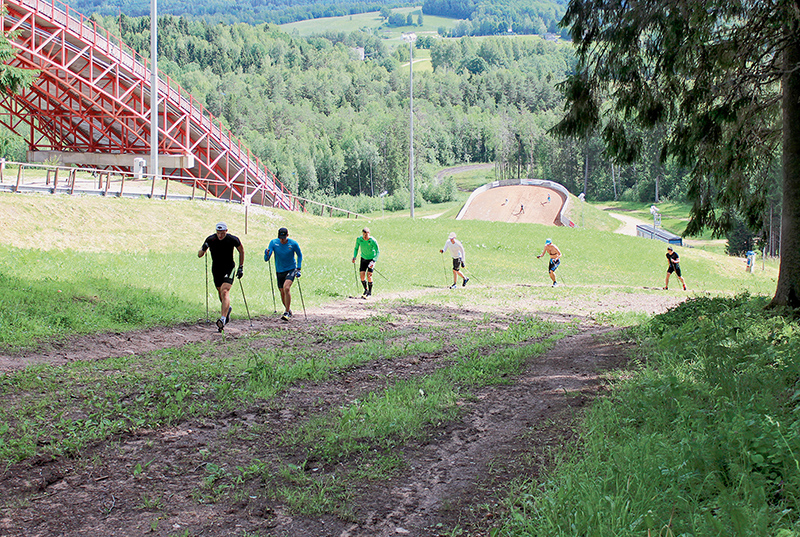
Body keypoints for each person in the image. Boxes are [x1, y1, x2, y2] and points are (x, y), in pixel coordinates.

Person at [198, 222, 245, 332]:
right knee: (220, 292)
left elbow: (241, 251)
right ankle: (227, 309)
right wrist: (204, 248)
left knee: (224, 291)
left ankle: (223, 319)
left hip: (229, 268)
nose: (220, 236)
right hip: (216, 269)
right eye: (218, 233)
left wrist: (241, 267)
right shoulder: (210, 239)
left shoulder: (233, 239)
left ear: (226, 231)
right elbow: (200, 254)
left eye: (222, 233)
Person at [265, 227, 303, 321]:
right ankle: (288, 309)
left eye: (283, 237)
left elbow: (299, 255)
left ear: (287, 235)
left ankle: (286, 312)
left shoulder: (293, 244)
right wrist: (266, 254)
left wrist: (298, 268)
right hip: (279, 270)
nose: (282, 240)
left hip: (291, 268)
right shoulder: (274, 243)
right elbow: (267, 259)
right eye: (280, 237)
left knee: (286, 288)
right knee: (282, 291)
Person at [352, 227, 379, 297]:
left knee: (369, 275)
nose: (365, 236)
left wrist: (374, 261)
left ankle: (370, 292)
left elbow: (377, 251)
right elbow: (356, 248)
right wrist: (354, 256)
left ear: (369, 234)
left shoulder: (373, 240)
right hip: (363, 258)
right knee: (362, 276)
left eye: (366, 235)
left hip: (371, 259)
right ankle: (366, 290)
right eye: (364, 235)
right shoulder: (359, 239)